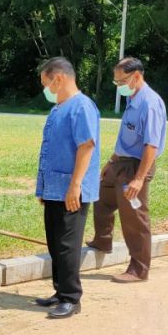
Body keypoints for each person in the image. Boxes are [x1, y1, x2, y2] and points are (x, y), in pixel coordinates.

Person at [87, 57, 167, 283]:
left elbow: (151, 145)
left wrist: (139, 179)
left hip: (136, 167)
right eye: (116, 82)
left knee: (133, 217)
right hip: (120, 162)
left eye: (121, 81)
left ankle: (139, 269)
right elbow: (127, 137)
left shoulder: (149, 103)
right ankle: (103, 240)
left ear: (137, 76)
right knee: (102, 195)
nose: (119, 86)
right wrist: (110, 162)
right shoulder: (133, 99)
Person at [31, 57, 101, 319]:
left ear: (58, 79)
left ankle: (72, 298)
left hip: (71, 189)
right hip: (54, 188)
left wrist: (75, 186)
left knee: (67, 245)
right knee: (54, 242)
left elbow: (86, 146)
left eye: (46, 83)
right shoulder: (59, 108)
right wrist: (43, 188)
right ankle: (60, 291)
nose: (45, 89)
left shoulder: (81, 107)